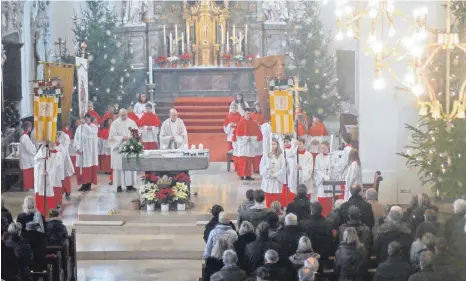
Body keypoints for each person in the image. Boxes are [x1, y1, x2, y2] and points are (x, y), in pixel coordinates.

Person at [108, 109, 139, 192]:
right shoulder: (115, 123)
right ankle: (119, 186)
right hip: (119, 148)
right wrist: (122, 138)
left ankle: (130, 185)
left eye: (125, 115)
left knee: (130, 166)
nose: (124, 116)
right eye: (122, 115)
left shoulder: (132, 122)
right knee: (119, 167)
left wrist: (134, 136)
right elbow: (111, 137)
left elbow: (136, 133)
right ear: (119, 115)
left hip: (129, 147)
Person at [232, 108, 263, 180]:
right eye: (247, 113)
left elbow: (257, 134)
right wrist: (246, 139)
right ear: (244, 114)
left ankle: (248, 175)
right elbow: (237, 136)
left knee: (249, 160)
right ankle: (241, 175)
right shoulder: (240, 123)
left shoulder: (254, 123)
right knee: (242, 160)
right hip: (243, 145)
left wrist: (251, 139)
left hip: (251, 144)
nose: (248, 115)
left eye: (249, 114)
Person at [74, 113, 99, 191]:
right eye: (84, 119)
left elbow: (92, 133)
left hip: (90, 152)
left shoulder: (94, 127)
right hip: (81, 151)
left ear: (90, 119)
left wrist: (84, 125)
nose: (85, 121)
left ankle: (88, 184)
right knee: (82, 168)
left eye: (87, 119)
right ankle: (83, 184)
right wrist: (77, 148)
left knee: (89, 167)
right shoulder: (79, 128)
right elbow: (76, 138)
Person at [34, 143, 60, 216]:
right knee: (40, 195)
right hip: (40, 180)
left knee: (47, 195)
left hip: (47, 180)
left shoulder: (54, 156)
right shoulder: (38, 158)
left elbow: (56, 166)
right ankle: (41, 212)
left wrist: (49, 172)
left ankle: (48, 211)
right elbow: (36, 164)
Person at [260, 138, 287, 207]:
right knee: (269, 196)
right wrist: (268, 172)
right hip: (268, 179)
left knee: (277, 196)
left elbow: (283, 168)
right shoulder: (265, 155)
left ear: (277, 145)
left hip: (277, 179)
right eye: (271, 144)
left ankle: (277, 209)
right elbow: (262, 167)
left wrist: (275, 175)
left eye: (275, 144)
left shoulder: (281, 156)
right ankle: (269, 209)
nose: (273, 146)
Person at [286, 138, 314, 204]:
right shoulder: (294, 154)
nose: (299, 146)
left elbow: (310, 167)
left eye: (300, 144)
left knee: (306, 193)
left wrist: (302, 167)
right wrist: (294, 145)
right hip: (296, 177)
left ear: (304, 144)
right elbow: (288, 155)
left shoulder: (309, 155)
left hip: (305, 178)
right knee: (295, 195)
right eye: (297, 144)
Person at [314, 141, 333, 216]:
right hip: (321, 181)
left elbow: (334, 168)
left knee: (329, 198)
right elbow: (316, 169)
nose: (322, 150)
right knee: (322, 197)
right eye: (321, 148)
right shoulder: (318, 157)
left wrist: (329, 176)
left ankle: (329, 214)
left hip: (330, 180)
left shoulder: (332, 156)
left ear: (328, 147)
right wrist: (324, 176)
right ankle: (321, 214)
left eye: (324, 148)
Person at [224, 103, 242, 169]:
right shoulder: (229, 116)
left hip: (237, 134)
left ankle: (236, 158)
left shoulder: (239, 116)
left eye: (235, 108)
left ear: (237, 108)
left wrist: (235, 125)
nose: (234, 109)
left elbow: (241, 124)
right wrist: (229, 125)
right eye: (233, 108)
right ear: (231, 108)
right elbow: (225, 125)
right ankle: (231, 159)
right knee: (230, 146)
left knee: (236, 147)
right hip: (230, 133)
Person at [57, 130, 74, 200]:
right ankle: (60, 191)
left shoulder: (66, 137)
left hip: (64, 159)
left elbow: (65, 149)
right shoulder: (53, 135)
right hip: (57, 159)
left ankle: (67, 191)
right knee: (58, 177)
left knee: (65, 176)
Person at [19, 121, 36, 190]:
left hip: (26, 159)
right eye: (30, 127)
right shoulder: (25, 137)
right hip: (27, 160)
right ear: (28, 127)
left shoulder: (23, 136)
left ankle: (29, 187)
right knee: (28, 175)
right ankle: (28, 188)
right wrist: (35, 149)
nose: (31, 128)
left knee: (28, 174)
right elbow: (30, 149)